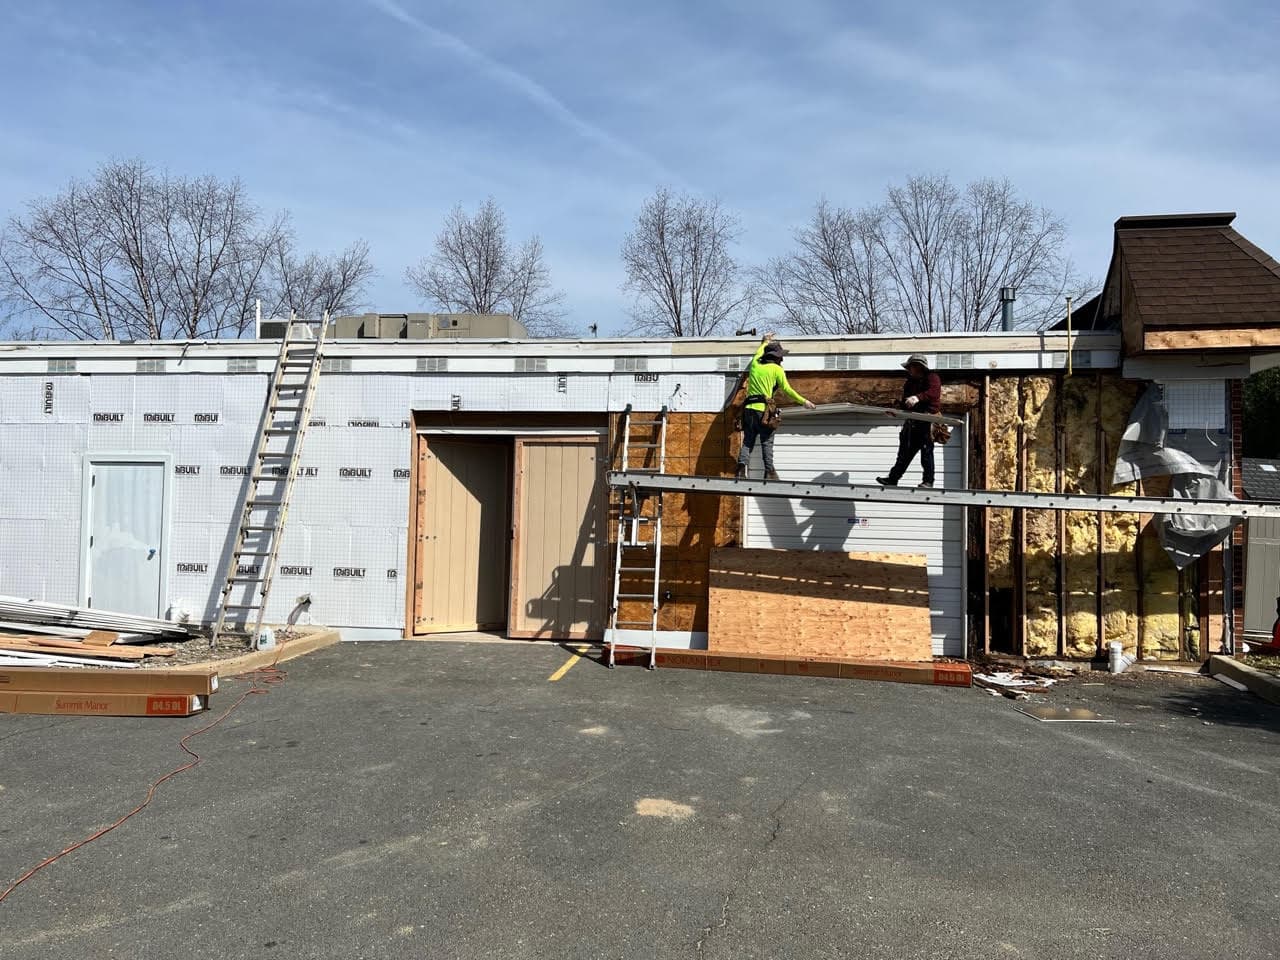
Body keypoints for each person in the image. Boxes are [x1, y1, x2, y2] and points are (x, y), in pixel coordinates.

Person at [734, 333, 816, 481]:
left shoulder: (755, 364)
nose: (782, 359)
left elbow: (759, 351)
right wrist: (804, 402)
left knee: (748, 441)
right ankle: (770, 473)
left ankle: (740, 471)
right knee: (766, 440)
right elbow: (787, 389)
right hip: (763, 411)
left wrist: (765, 340)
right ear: (775, 357)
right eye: (780, 356)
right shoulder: (777, 369)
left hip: (748, 410)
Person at [876, 354, 942, 488]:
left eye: (913, 367)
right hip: (913, 420)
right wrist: (896, 411)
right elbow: (906, 402)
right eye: (910, 367)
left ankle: (928, 481)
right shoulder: (909, 382)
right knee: (904, 452)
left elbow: (934, 392)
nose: (911, 370)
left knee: (926, 452)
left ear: (919, 367)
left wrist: (918, 397)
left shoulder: (932, 377)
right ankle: (893, 478)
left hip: (928, 418)